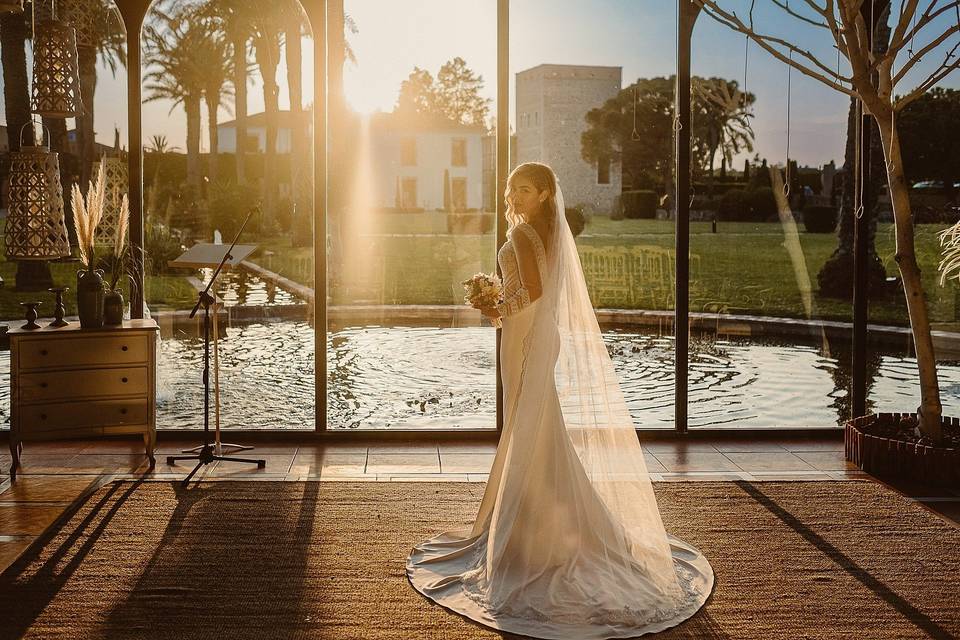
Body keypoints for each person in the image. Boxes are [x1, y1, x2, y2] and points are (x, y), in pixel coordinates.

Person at [406, 162, 713, 639]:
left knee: (529, 423)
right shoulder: (538, 231)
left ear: (547, 194)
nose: (515, 195)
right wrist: (501, 299)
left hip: (526, 335)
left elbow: (534, 290)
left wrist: (494, 306)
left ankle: (533, 536)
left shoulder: (528, 234)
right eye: (512, 188)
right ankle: (544, 520)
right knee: (536, 423)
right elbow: (531, 288)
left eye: (525, 189)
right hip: (532, 333)